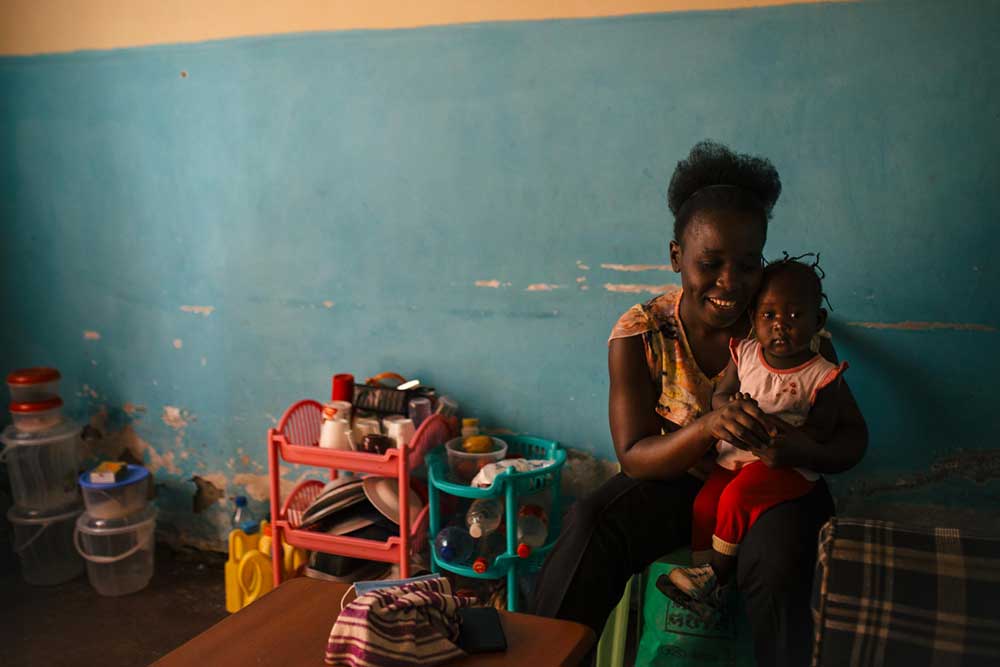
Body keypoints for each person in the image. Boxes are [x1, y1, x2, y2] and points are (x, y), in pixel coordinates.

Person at [531, 141, 868, 667]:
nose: (730, 283)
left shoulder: (788, 329)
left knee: (774, 565)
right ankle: (543, 658)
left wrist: (799, 448)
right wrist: (710, 424)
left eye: (748, 264)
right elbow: (634, 456)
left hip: (775, 492)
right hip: (682, 487)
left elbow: (851, 440)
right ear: (675, 258)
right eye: (710, 263)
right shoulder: (642, 332)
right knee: (593, 521)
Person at [657, 256, 853, 622]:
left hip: (782, 466)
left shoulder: (821, 374)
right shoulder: (745, 354)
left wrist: (791, 440)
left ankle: (716, 573)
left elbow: (826, 429)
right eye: (768, 316)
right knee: (704, 505)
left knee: (735, 498)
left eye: (795, 316)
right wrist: (730, 407)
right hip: (734, 458)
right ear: (753, 319)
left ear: (818, 322)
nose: (780, 326)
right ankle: (708, 586)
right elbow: (720, 396)